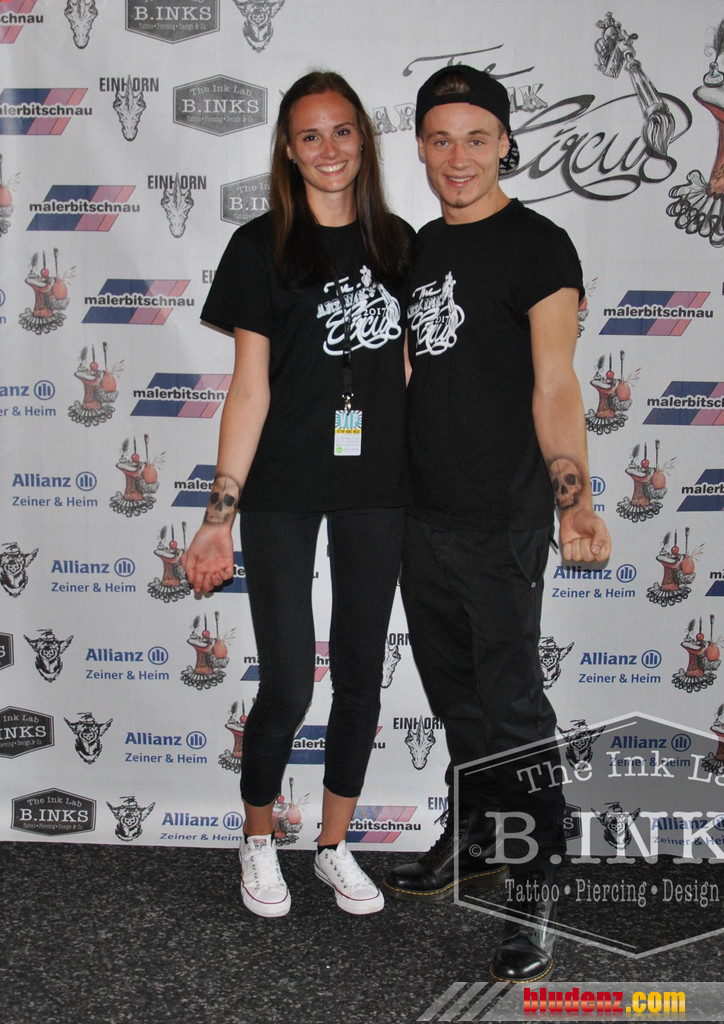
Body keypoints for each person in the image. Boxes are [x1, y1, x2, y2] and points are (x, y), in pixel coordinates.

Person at [381, 66, 612, 981]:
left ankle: (535, 878)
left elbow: (555, 384)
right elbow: (413, 373)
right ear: (421, 147)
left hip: (500, 517)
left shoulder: (539, 247)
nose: (458, 157)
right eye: (440, 139)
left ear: (506, 144)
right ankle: (477, 833)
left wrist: (575, 497)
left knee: (512, 707)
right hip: (419, 512)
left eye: (476, 139)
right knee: (455, 698)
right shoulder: (420, 248)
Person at [182, 71, 413, 919]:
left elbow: (411, 372)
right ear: (287, 147)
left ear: (363, 139)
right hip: (280, 483)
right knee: (287, 680)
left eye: (341, 130)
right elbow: (249, 387)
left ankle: (332, 845)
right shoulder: (261, 245)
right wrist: (218, 517)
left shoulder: (399, 244)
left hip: (376, 486)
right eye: (309, 135)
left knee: (360, 674)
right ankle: (257, 839)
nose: (327, 149)